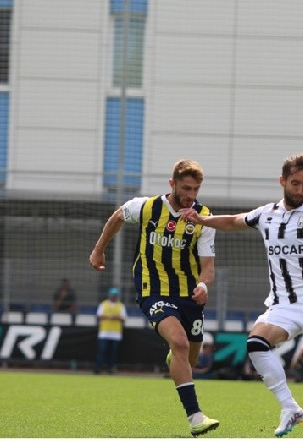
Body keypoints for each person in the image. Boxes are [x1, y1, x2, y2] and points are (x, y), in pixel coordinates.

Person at [181, 154, 303, 437]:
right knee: (256, 344)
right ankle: (290, 407)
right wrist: (202, 219)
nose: (300, 190)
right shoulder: (266, 214)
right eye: (295, 183)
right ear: (282, 180)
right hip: (282, 305)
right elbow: (233, 221)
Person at [89, 159, 219, 437]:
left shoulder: (204, 217)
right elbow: (117, 216)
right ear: (172, 184)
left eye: (196, 189)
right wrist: (99, 250)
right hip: (153, 290)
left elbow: (208, 266)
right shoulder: (147, 207)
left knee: (189, 358)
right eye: (186, 188)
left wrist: (203, 285)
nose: (191, 195)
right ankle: (195, 417)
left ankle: (176, 355)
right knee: (180, 342)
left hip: (189, 295)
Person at [94, 287, 127, 375]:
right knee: (102, 351)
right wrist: (109, 317)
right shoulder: (103, 304)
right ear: (109, 295)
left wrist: (113, 317)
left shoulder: (121, 305)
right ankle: (98, 368)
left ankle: (111, 369)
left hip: (115, 333)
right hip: (104, 332)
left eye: (115, 295)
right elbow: (99, 315)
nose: (114, 297)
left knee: (113, 353)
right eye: (112, 295)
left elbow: (123, 317)